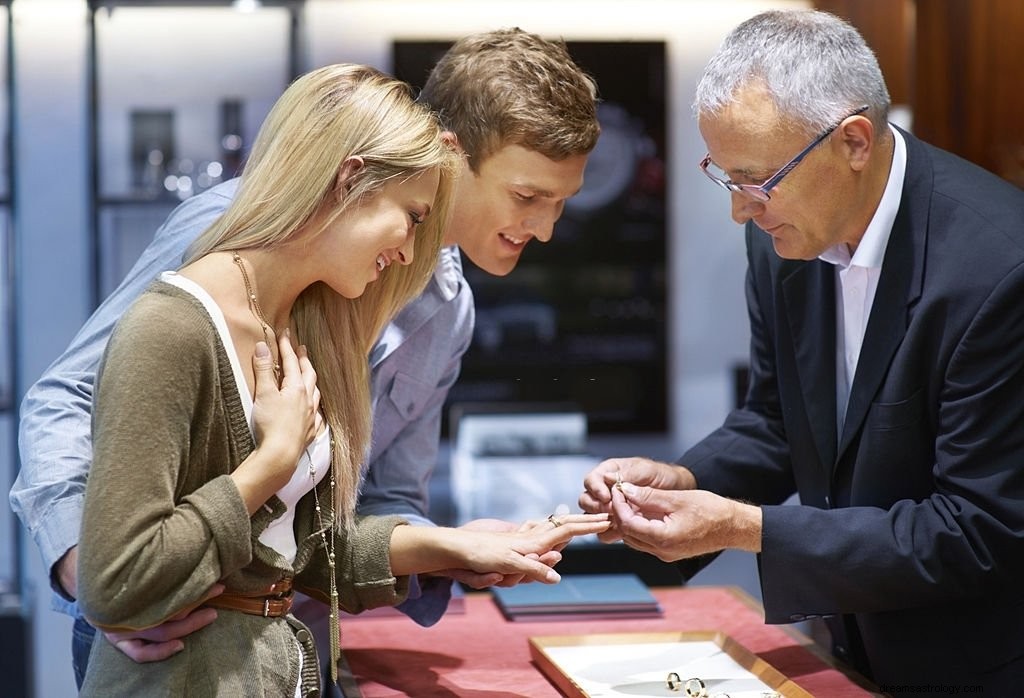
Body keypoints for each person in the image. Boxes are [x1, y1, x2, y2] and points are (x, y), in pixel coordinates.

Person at [10, 26, 600, 690]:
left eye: (561, 203)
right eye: (528, 196)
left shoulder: (446, 308)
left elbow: (356, 512)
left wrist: (446, 551)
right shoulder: (234, 239)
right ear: (447, 153)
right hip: (168, 639)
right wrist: (93, 571)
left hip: (288, 645)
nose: (547, 228)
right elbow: (72, 397)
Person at [581, 9, 1024, 694]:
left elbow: (975, 531)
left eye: (758, 179)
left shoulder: (998, 269)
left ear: (853, 141)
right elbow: (780, 422)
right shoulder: (781, 237)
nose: (741, 211)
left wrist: (744, 527)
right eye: (725, 177)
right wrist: (685, 484)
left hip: (975, 665)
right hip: (843, 647)